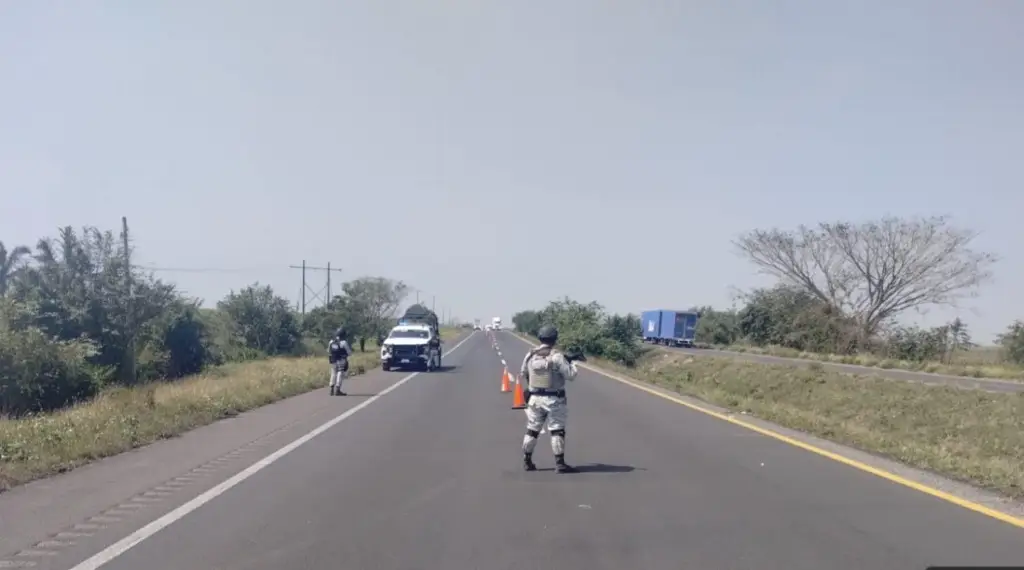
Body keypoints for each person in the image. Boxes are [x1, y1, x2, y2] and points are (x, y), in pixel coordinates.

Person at [518, 324, 578, 473]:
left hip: (535, 398)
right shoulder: (557, 356)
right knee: (557, 430)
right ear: (554, 339)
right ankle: (560, 464)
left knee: (532, 430)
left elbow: (523, 372)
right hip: (554, 400)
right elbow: (571, 375)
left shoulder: (530, 354)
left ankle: (527, 460)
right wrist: (573, 363)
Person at [328, 327, 353, 396]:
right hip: (341, 360)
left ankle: (331, 389)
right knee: (340, 373)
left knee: (333, 373)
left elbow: (329, 351)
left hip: (333, 360)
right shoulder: (344, 342)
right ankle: (338, 389)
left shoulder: (331, 341)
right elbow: (349, 353)